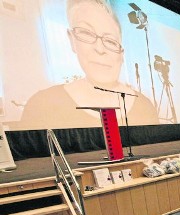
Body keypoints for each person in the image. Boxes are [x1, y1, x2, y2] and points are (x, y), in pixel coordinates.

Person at [21, 0, 158, 129]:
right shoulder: (42, 105)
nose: (99, 48)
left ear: (121, 53)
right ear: (72, 40)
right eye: (86, 33)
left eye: (110, 41)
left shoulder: (144, 106)